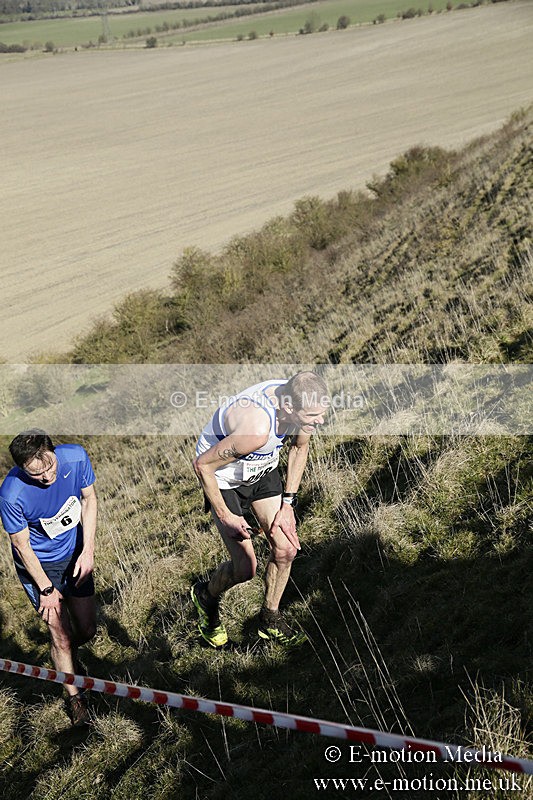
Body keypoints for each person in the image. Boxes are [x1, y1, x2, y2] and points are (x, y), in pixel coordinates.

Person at [191, 371, 329, 648]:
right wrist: (225, 515)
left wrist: (288, 504)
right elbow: (203, 465)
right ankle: (205, 596)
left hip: (262, 468)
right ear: (289, 408)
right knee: (245, 568)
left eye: (322, 413)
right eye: (314, 415)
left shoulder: (301, 402)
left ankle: (270, 618)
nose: (321, 420)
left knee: (286, 548)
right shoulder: (255, 427)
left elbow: (298, 449)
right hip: (224, 479)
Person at [0, 430, 97, 726]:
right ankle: (74, 698)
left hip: (75, 553)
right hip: (39, 567)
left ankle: (69, 655)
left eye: (50, 466)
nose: (46, 476)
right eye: (36, 473)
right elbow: (21, 545)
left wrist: (88, 550)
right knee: (61, 634)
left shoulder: (76, 457)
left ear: (54, 451)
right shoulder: (11, 493)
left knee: (87, 629)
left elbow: (89, 498)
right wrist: (45, 588)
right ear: (20, 468)